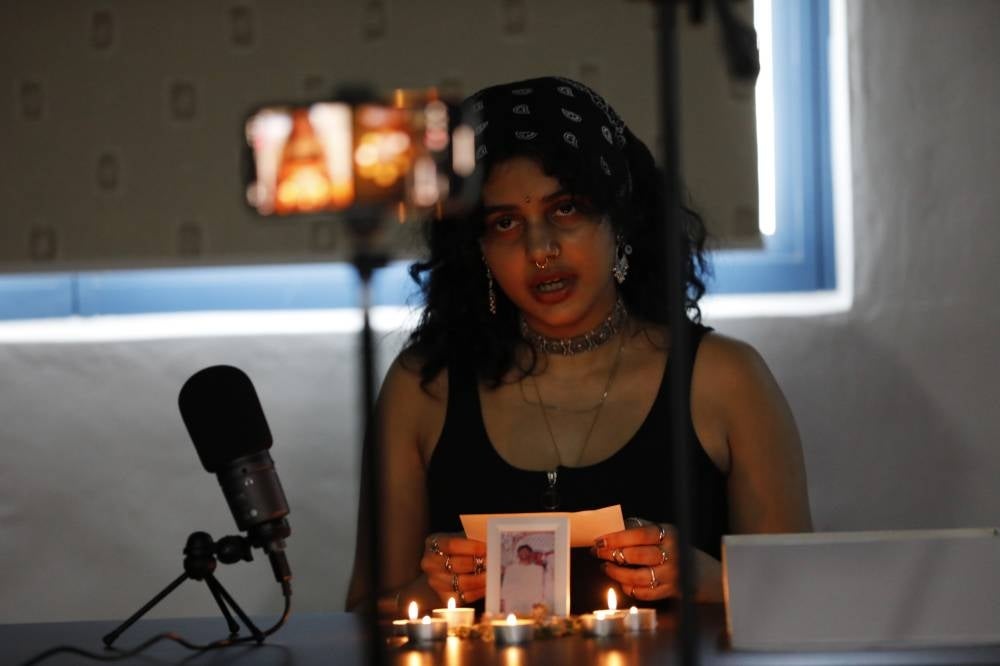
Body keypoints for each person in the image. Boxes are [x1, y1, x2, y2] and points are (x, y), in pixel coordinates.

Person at [346, 76, 811, 615]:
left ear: (621, 219)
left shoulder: (726, 378)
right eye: (505, 222)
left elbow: (803, 600)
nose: (540, 248)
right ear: (477, 251)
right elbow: (359, 617)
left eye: (565, 209)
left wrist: (705, 578)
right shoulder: (423, 388)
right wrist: (432, 592)